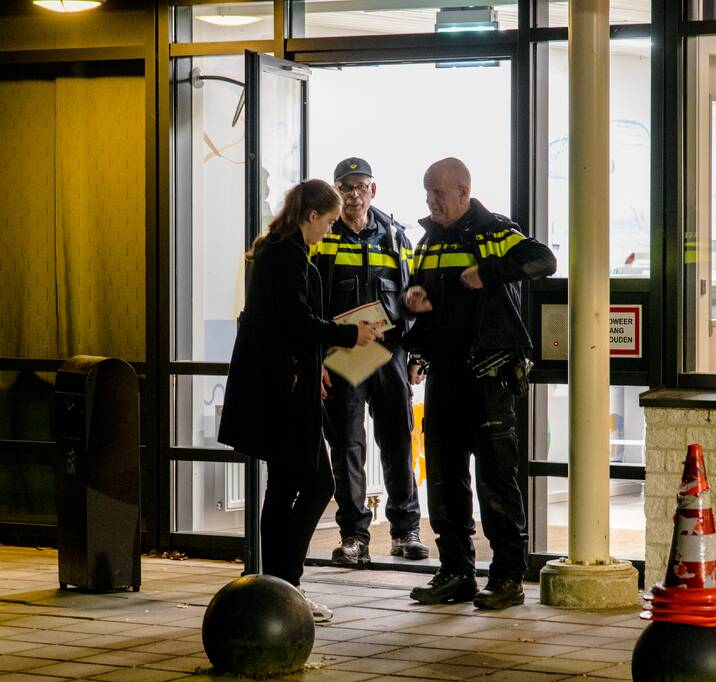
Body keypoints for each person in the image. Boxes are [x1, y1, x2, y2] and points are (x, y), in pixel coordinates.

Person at [218, 179, 384, 623]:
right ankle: (284, 584)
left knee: (287, 487)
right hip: (284, 394)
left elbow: (283, 324)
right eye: (328, 222)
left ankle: (277, 585)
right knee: (313, 485)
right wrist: (352, 334)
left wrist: (318, 367)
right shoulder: (287, 254)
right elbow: (296, 321)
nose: (329, 231)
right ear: (311, 216)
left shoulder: (277, 249)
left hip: (283, 387)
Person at [402, 158, 556, 610]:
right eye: (427, 193)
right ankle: (456, 573)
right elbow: (417, 294)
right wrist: (413, 300)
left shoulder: (495, 231)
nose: (431, 202)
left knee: (496, 482)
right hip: (444, 377)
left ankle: (507, 578)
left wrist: (488, 272)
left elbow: (543, 260)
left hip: (489, 377)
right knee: (445, 482)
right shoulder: (426, 241)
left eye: (438, 194)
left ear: (464, 191)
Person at [310, 157, 428, 566]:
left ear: (373, 190)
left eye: (361, 186)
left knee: (398, 442)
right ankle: (354, 537)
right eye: (346, 187)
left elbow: (415, 302)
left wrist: (417, 358)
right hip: (342, 355)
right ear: (336, 191)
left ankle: (406, 531)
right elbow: (310, 305)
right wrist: (315, 360)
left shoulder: (396, 237)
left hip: (390, 353)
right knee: (346, 446)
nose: (354, 194)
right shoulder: (323, 237)